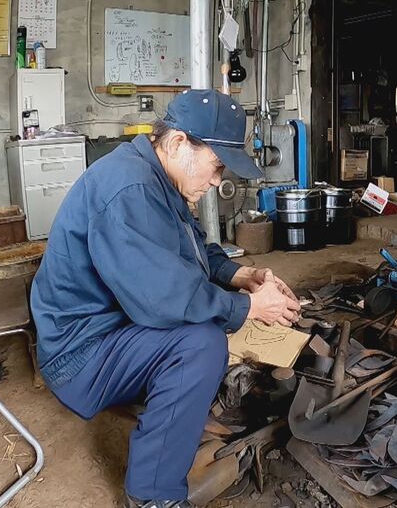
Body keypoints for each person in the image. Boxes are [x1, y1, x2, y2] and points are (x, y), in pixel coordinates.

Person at [31, 89, 300, 508]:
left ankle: (175, 408)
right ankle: (153, 494)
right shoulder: (129, 189)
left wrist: (240, 274)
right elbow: (164, 298)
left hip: (113, 329)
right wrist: (248, 307)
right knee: (201, 343)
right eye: (215, 166)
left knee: (207, 324)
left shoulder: (158, 177)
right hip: (80, 356)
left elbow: (190, 251)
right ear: (178, 143)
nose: (216, 182)